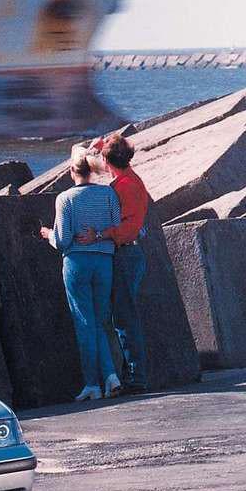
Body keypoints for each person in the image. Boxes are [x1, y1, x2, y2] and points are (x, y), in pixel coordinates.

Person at [40, 147, 122, 402]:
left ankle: (92, 384)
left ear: (71, 170)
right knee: (100, 321)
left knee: (84, 323)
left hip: (77, 263)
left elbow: (63, 240)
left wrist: (47, 235)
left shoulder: (65, 199)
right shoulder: (108, 193)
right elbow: (116, 226)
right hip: (104, 261)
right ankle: (111, 376)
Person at [76, 132, 150, 393]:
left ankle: (136, 378)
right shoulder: (130, 178)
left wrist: (100, 234)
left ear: (108, 162)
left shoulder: (124, 187)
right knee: (124, 316)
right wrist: (99, 147)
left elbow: (129, 228)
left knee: (124, 319)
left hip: (126, 254)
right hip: (132, 254)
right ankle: (133, 375)